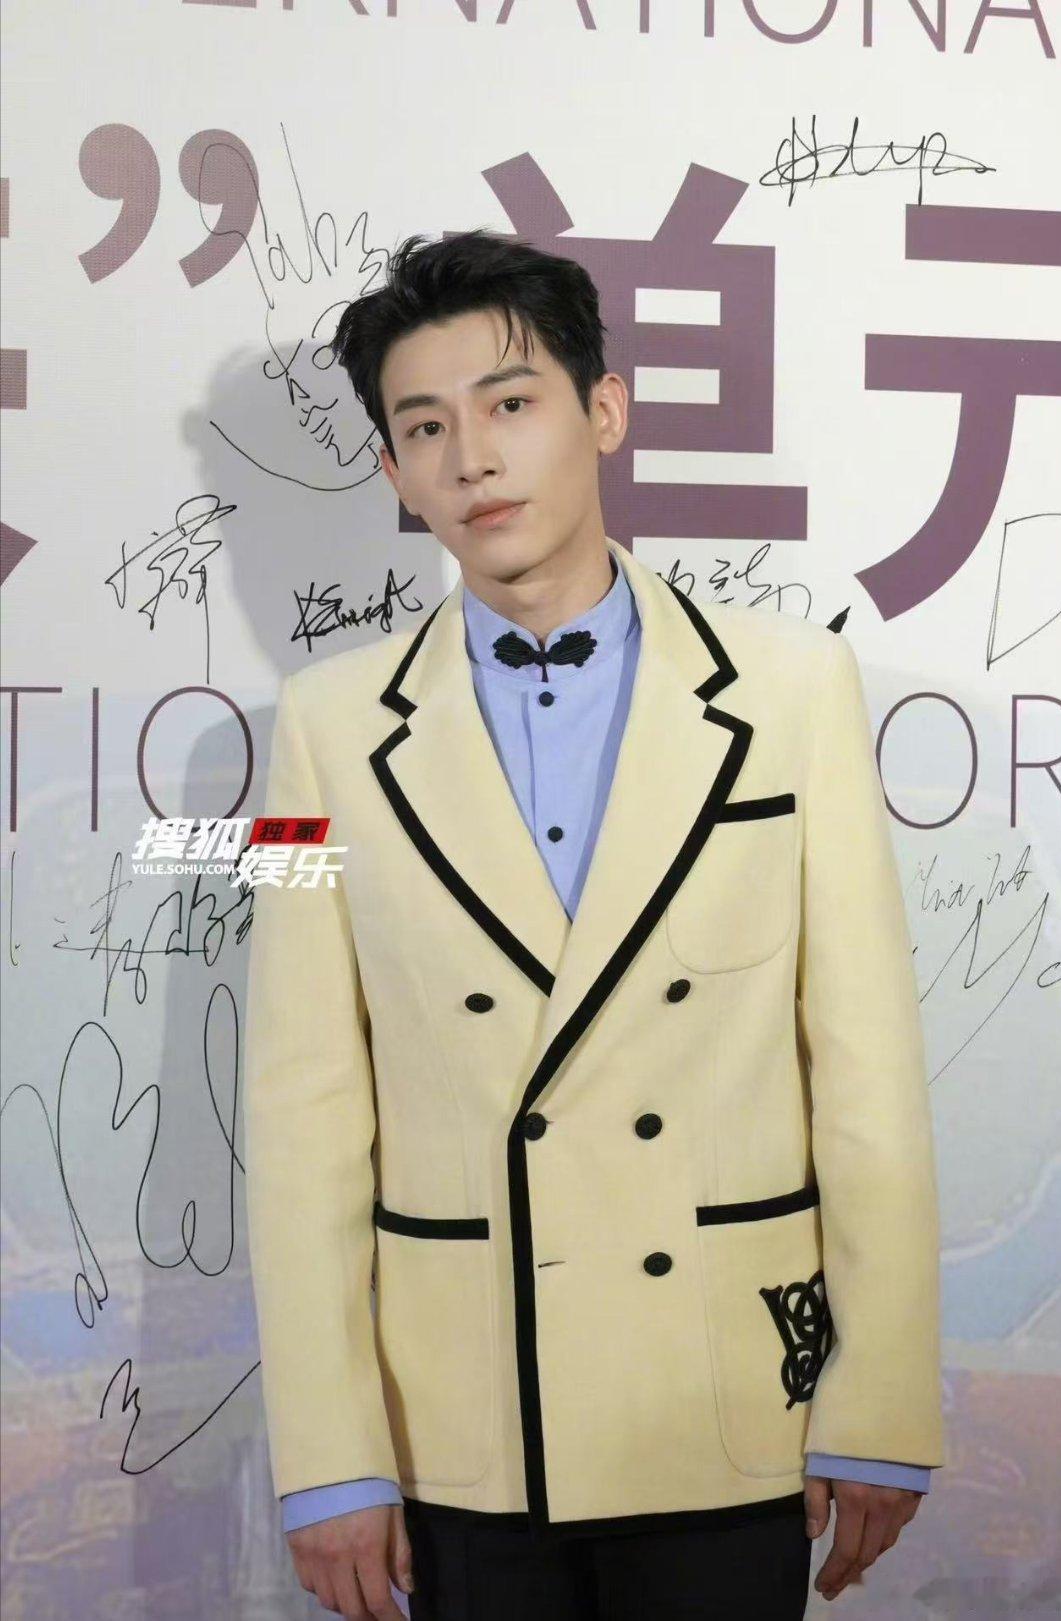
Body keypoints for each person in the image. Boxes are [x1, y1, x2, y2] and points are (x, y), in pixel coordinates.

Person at [242, 229, 944, 1620]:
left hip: (724, 1392)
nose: (472, 458)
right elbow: (300, 1105)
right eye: (424, 428)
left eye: (510, 403)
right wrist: (327, 1457)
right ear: (392, 473)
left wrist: (882, 1398)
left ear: (603, 411)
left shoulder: (797, 689)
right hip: (463, 1418)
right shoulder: (318, 729)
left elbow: (867, 1070)